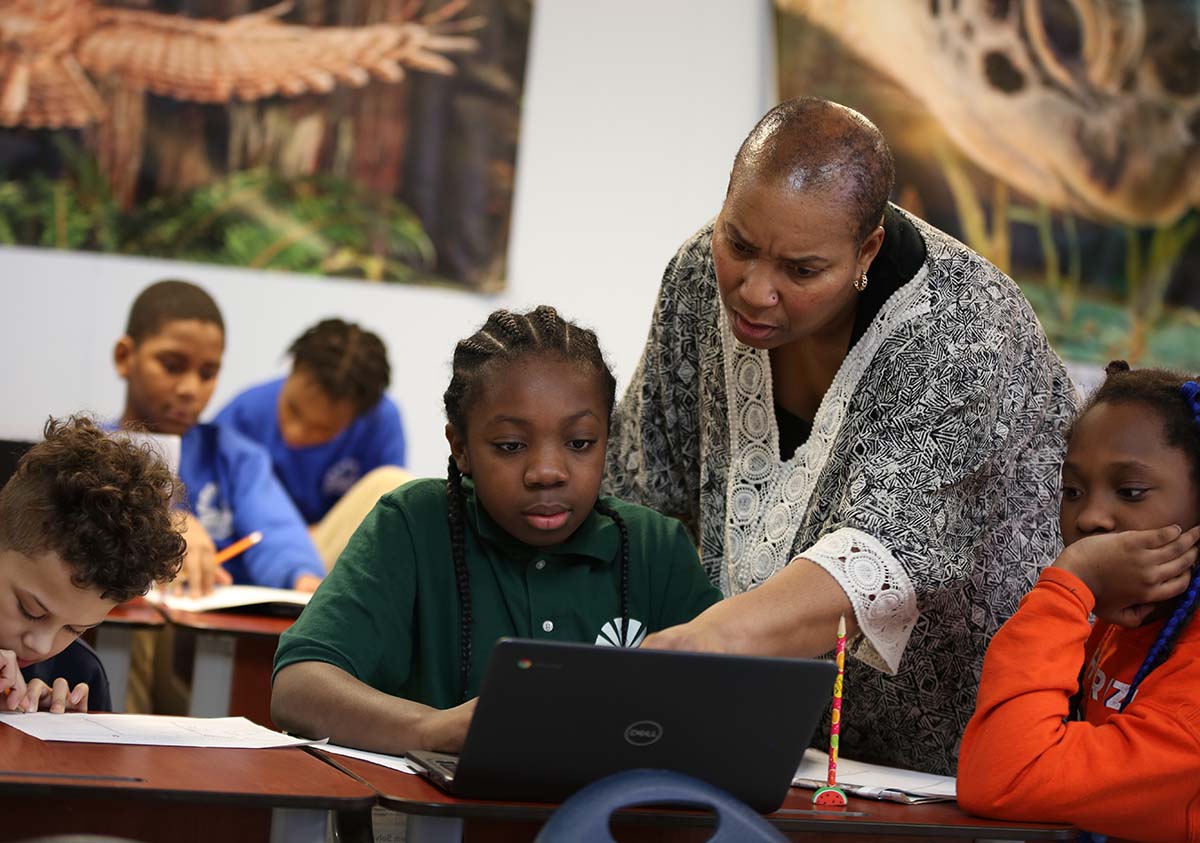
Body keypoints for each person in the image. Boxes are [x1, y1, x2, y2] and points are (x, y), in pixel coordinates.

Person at [605, 97, 1076, 774]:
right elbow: (643, 491)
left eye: (801, 270)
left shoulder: (964, 330)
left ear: (868, 251)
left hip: (948, 750)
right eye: (737, 243)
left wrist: (694, 646)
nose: (754, 289)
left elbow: (876, 565)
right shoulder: (695, 278)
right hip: (752, 732)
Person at [272, 306, 722, 754]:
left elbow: (736, 696)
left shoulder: (655, 548)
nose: (547, 471)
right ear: (461, 449)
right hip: (438, 825)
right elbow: (297, 687)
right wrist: (431, 729)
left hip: (613, 820)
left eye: (580, 442)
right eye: (510, 446)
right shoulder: (413, 524)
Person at [958, 363, 1200, 843]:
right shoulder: (1124, 621)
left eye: (1130, 492)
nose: (1089, 519)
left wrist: (1070, 582)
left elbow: (1006, 777)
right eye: (1072, 491)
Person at [114, 279, 325, 592]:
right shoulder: (88, 454)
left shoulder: (238, 458)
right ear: (125, 357)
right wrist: (162, 529)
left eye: (207, 374)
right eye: (172, 366)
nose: (190, 390)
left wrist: (303, 580)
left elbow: (277, 533)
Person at [1, 416, 185, 713]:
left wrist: (58, 738)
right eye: (30, 611)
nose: (41, 645)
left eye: (74, 629)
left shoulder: (79, 675)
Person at [215, 318, 410, 569]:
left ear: (358, 417)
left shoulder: (381, 422)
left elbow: (382, 521)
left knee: (393, 484)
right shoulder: (244, 414)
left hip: (325, 558)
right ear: (294, 367)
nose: (296, 434)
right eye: (292, 410)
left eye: (322, 429)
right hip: (254, 552)